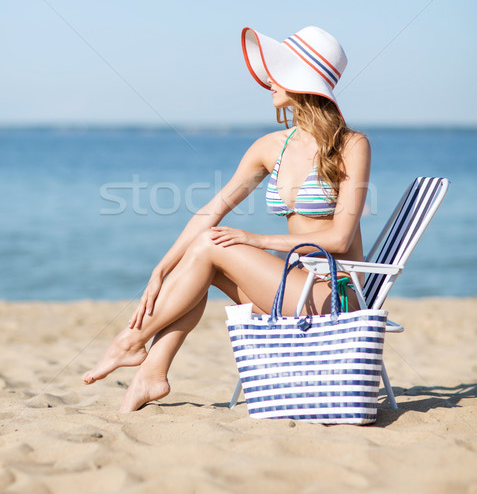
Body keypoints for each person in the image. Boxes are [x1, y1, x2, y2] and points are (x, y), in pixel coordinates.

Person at [82, 25, 371, 413]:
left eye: (279, 71)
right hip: (290, 289)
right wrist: (160, 268)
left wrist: (255, 240)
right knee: (207, 257)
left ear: (302, 82)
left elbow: (338, 241)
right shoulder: (272, 147)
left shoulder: (351, 146)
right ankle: (151, 373)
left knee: (212, 246)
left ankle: (131, 343)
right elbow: (212, 210)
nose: (269, 80)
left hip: (332, 297)